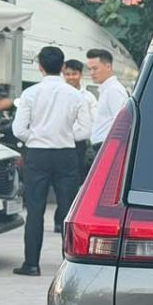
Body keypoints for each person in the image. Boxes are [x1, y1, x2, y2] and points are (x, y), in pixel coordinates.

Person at [11, 46, 92, 277]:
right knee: (68, 211)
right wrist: (65, 135)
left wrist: (36, 137)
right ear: (63, 67)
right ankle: (70, 266)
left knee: (35, 210)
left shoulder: (30, 93)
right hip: (66, 154)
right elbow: (85, 130)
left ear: (40, 67)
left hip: (37, 154)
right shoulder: (75, 95)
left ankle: (31, 264)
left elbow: (19, 129)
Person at [58, 59, 97, 232]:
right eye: (67, 74)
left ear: (81, 75)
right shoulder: (59, 94)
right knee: (60, 182)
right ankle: (60, 219)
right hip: (60, 142)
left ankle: (71, 217)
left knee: (76, 181)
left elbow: (94, 120)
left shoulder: (87, 97)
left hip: (78, 143)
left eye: (74, 74)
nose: (71, 77)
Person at [86, 48, 128, 154]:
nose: (91, 73)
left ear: (108, 66)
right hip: (103, 146)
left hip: (108, 147)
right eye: (89, 69)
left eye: (95, 68)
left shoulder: (114, 90)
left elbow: (122, 124)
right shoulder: (106, 90)